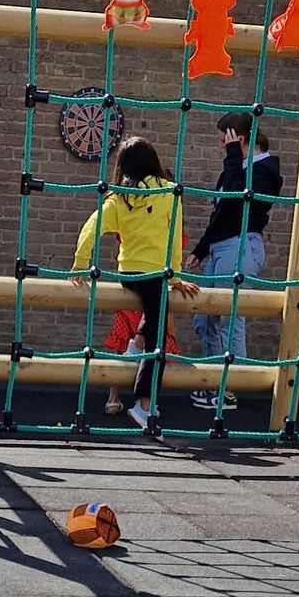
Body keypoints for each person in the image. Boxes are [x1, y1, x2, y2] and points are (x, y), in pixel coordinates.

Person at [71, 137, 197, 434]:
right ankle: (143, 405)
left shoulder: (120, 196)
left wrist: (80, 262)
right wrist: (175, 277)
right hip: (156, 275)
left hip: (129, 273)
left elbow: (92, 227)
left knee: (153, 319)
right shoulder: (170, 192)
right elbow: (174, 241)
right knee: (158, 341)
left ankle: (132, 348)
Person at [187, 109, 282, 413]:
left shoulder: (266, 168)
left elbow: (240, 196)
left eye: (223, 141)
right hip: (220, 246)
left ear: (239, 140)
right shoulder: (235, 164)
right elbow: (222, 212)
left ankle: (229, 389)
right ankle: (215, 382)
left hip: (242, 246)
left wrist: (231, 156)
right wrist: (201, 249)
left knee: (230, 318)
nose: (220, 147)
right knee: (204, 319)